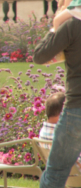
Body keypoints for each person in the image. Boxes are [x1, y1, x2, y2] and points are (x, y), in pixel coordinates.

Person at [34, 13, 81, 187]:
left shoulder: (73, 24)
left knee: (55, 173)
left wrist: (55, 26)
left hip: (77, 108)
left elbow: (40, 55)